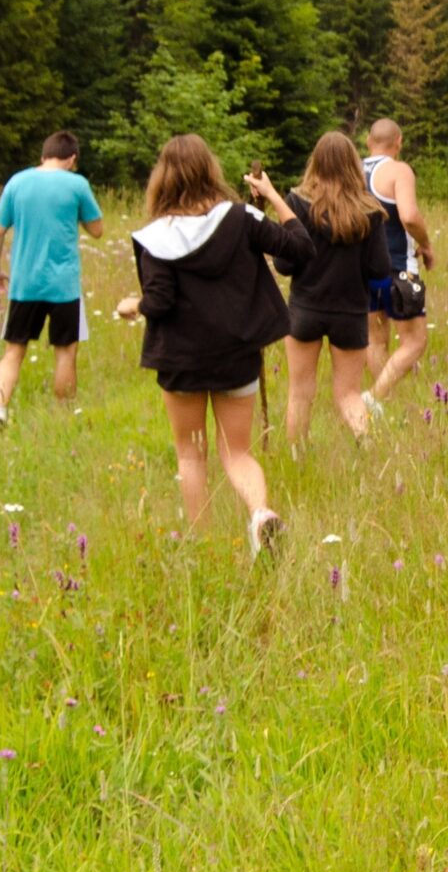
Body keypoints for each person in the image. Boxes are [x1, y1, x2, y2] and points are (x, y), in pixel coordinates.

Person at [113, 134, 314, 556]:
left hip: (181, 361)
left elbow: (161, 301)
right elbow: (299, 248)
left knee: (191, 454)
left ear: (161, 179)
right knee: (237, 451)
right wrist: (274, 196)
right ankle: (260, 514)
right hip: (236, 355)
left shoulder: (155, 237)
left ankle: (202, 546)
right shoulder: (242, 218)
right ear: (211, 171)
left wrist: (134, 305)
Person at [264, 130, 392, 441]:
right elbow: (379, 269)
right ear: (353, 165)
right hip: (349, 312)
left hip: (304, 309)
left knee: (300, 393)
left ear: (315, 163)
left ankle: (297, 458)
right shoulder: (369, 210)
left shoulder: (297, 202)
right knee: (348, 394)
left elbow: (284, 264)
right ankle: (367, 444)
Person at [0, 131, 105, 434]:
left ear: (43, 155)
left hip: (24, 283)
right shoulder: (77, 185)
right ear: (72, 158)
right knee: (65, 351)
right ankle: (62, 417)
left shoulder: (17, 182)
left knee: (14, 351)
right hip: (64, 286)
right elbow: (98, 229)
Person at [361, 119, 436, 412]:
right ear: (399, 142)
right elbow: (409, 216)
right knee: (415, 342)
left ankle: (382, 406)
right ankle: (374, 398)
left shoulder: (352, 170)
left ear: (369, 140)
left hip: (363, 270)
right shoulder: (398, 170)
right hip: (397, 269)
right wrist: (426, 245)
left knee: (375, 339)